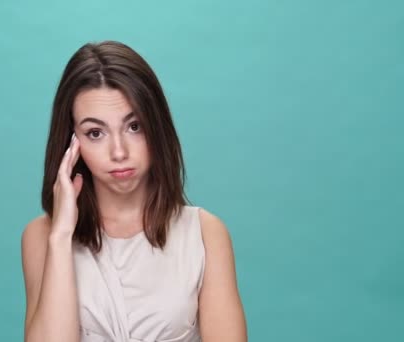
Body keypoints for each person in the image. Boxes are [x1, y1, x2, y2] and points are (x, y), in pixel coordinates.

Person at [21, 40, 247, 342]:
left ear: (156, 127)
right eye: (95, 133)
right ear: (71, 143)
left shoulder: (206, 234)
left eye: (134, 126)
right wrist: (61, 236)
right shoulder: (43, 236)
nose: (119, 151)